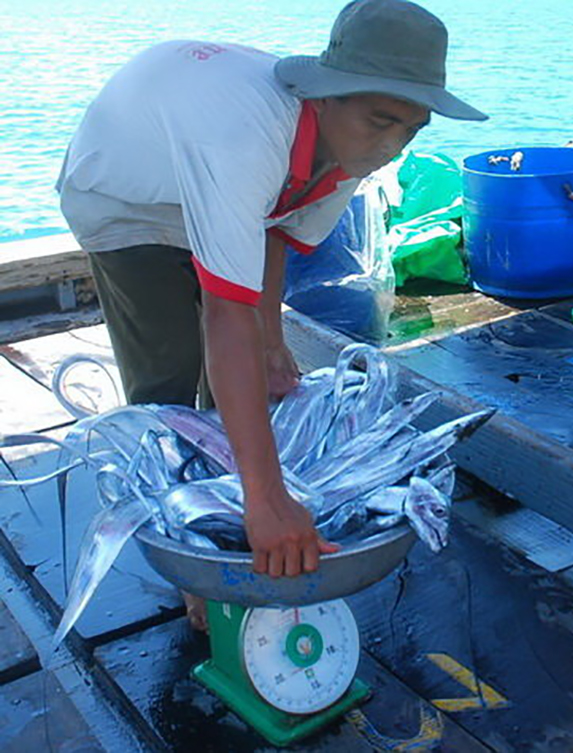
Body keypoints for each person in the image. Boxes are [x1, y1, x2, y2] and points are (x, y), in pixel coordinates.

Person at [56, 0, 486, 628]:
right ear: (326, 96)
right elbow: (225, 315)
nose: (394, 147)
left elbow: (275, 233)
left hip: (211, 173)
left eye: (412, 130)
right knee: (167, 377)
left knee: (240, 369)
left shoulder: (353, 147)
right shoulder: (244, 137)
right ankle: (190, 555)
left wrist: (271, 341)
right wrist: (269, 500)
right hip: (123, 198)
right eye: (381, 121)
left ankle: (227, 503)